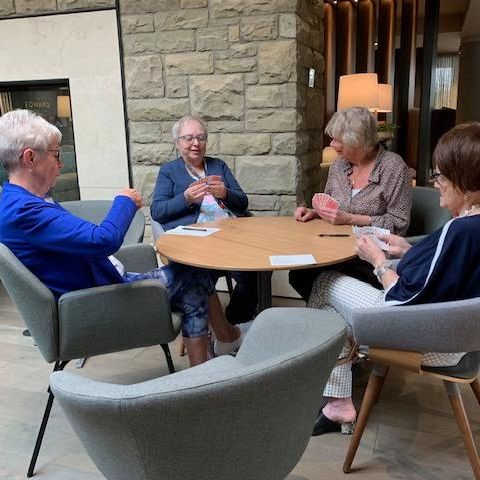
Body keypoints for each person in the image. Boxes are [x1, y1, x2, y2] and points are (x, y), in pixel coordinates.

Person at [0, 109, 242, 367]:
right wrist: (124, 201)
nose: (60, 164)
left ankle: (210, 361)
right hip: (97, 303)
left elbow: (82, 242)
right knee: (194, 279)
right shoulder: (25, 211)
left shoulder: (17, 202)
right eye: (56, 153)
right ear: (30, 157)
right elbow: (104, 240)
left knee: (194, 277)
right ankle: (209, 366)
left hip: (96, 287)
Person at [308, 122, 480, 436]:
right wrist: (405, 250)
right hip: (465, 336)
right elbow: (444, 266)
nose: (436, 182)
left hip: (431, 339)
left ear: (465, 180)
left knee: (323, 284)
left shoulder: (462, 230)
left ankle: (337, 400)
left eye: (440, 175)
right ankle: (339, 398)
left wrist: (377, 261)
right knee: (338, 304)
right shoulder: (471, 224)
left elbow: (403, 298)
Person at [290, 107, 412, 300]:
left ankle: (335, 319)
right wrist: (315, 211)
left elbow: (399, 222)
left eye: (338, 139)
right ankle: (330, 317)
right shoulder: (339, 165)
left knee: (319, 277)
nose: (332, 144)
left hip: (370, 253)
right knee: (298, 275)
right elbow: (331, 204)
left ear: (359, 140)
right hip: (333, 245)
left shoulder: (393, 167)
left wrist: (352, 218)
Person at [150, 115, 258, 326]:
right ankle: (222, 328)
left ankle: (234, 320)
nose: (195, 143)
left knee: (256, 270)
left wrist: (225, 193)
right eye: (188, 138)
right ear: (177, 142)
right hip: (196, 242)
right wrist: (186, 198)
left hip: (231, 237)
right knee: (197, 272)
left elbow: (242, 202)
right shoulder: (169, 171)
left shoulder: (218, 165)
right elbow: (157, 211)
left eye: (200, 137)